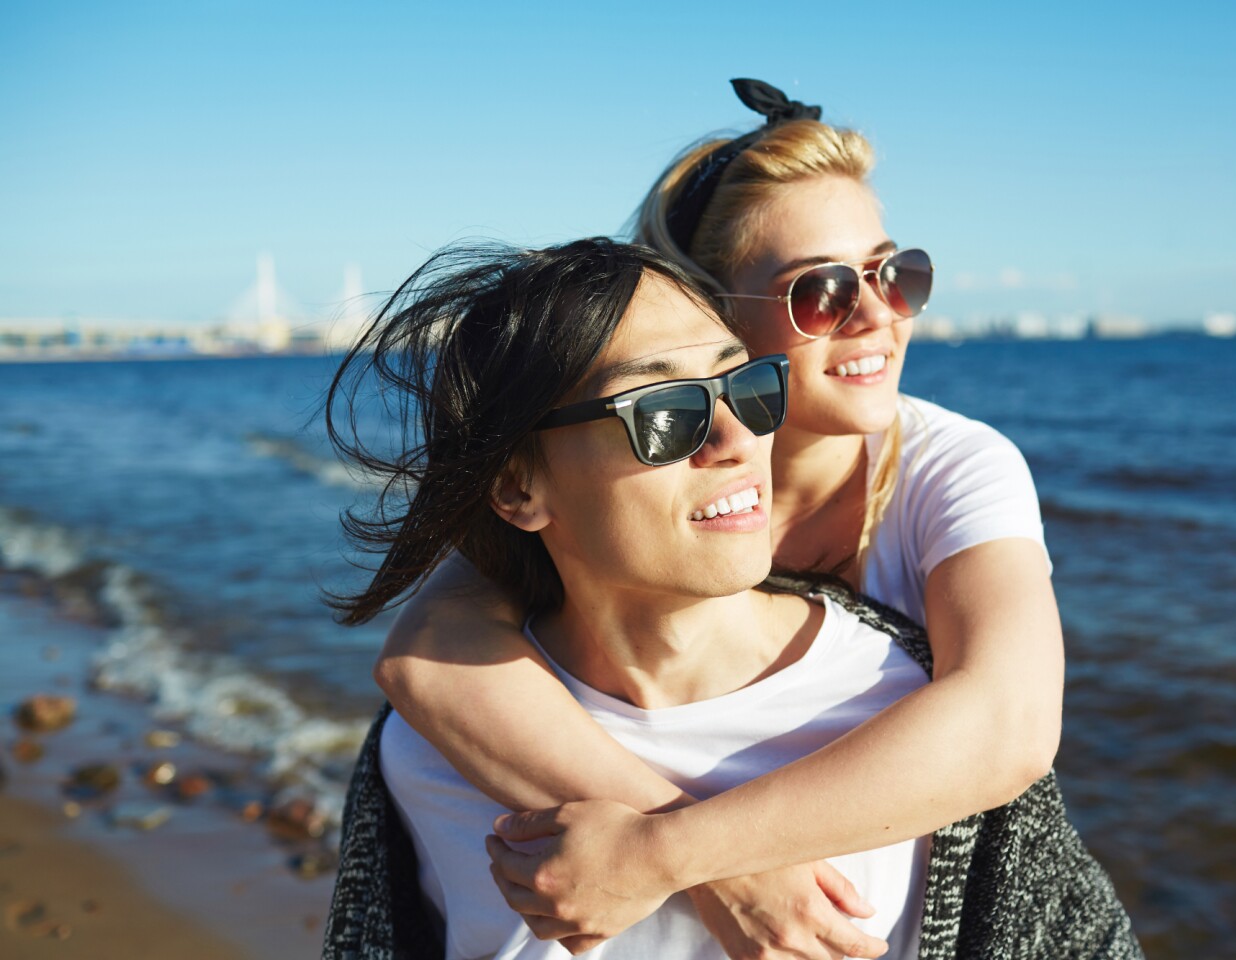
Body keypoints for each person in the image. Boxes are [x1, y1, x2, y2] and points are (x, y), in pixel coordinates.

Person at [371, 81, 1086, 956]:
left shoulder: (950, 467)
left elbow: (1007, 724)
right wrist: (718, 871)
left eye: (896, 275)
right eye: (819, 292)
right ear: (704, 302)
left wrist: (671, 854)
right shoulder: (610, 476)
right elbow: (433, 656)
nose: (876, 316)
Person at [329, 238, 953, 958]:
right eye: (663, 413)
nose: (736, 438)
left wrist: (671, 851)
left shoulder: (899, 709)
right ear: (516, 487)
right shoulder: (434, 751)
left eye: (746, 386)